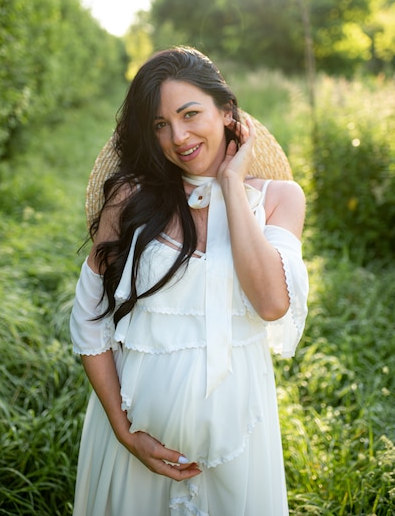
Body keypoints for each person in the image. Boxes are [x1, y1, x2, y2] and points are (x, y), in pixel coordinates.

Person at [70, 46, 309, 516]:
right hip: (132, 444)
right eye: (160, 124)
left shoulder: (280, 198)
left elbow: (271, 303)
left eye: (190, 114)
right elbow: (89, 319)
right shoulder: (130, 197)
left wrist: (232, 185)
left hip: (240, 444)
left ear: (227, 112)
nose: (178, 137)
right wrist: (124, 430)